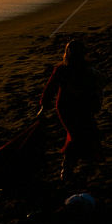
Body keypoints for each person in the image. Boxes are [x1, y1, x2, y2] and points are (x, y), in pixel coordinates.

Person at [38, 40, 103, 183]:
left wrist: (95, 103)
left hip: (83, 106)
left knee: (88, 132)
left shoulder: (87, 69)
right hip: (67, 108)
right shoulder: (62, 69)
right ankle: (66, 169)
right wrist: (44, 105)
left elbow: (95, 88)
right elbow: (51, 88)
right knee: (75, 135)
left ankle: (83, 165)